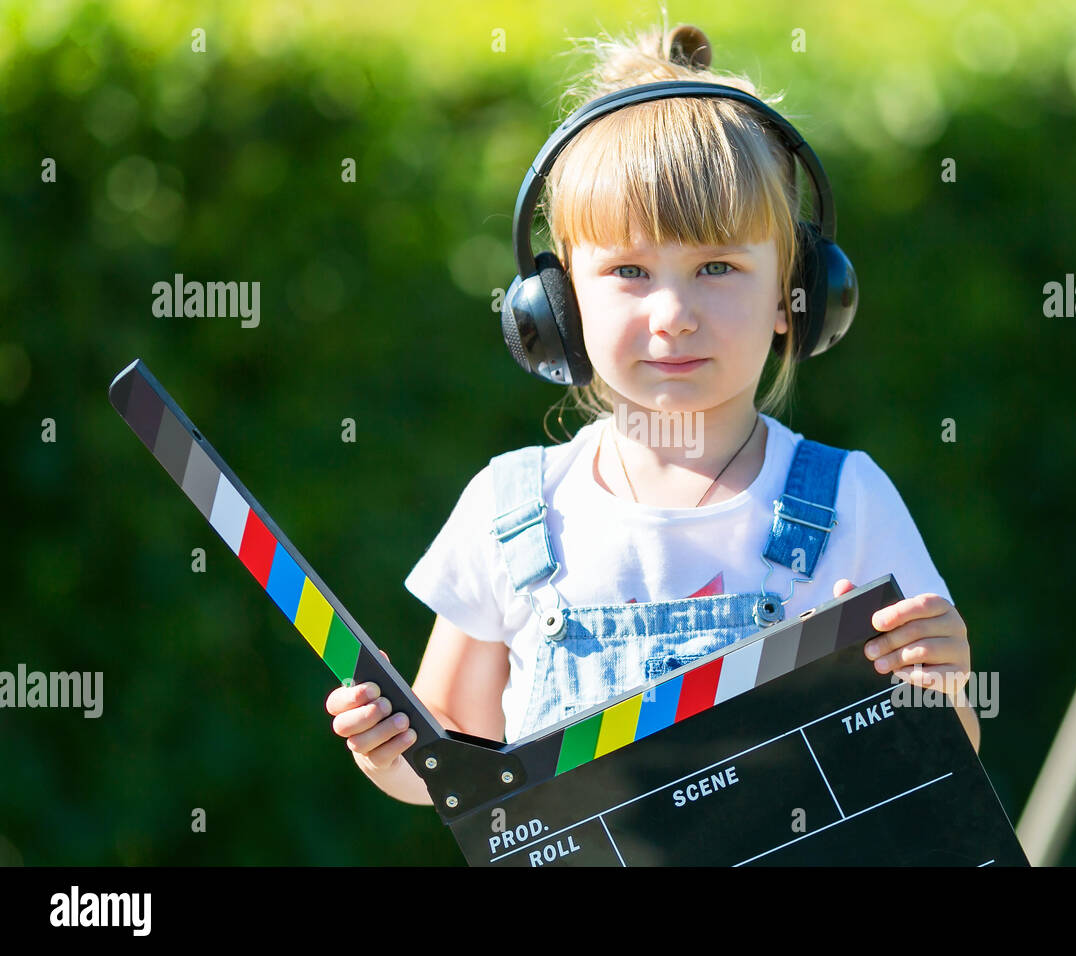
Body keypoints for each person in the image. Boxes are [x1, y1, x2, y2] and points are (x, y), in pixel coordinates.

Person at [327, 20, 976, 807]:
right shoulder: (509, 513)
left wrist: (939, 683)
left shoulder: (849, 502)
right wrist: (389, 749)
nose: (672, 313)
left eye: (716, 267)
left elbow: (931, 765)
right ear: (558, 305)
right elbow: (454, 765)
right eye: (628, 270)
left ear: (793, 295)